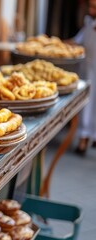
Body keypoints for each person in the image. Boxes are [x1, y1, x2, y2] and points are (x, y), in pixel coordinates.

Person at [74, 0, 96, 155]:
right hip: (87, 70)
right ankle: (83, 138)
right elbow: (77, 41)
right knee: (86, 105)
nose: (91, 9)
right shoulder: (89, 23)